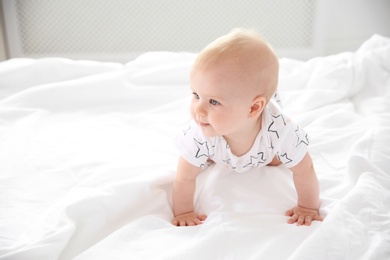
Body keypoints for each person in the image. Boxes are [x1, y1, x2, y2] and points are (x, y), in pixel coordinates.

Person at [172, 28, 323, 227]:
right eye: (196, 95)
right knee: (204, 158)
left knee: (277, 160)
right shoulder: (200, 133)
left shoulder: (281, 132)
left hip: (266, 142)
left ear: (253, 108)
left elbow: (305, 170)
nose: (198, 109)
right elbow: (184, 177)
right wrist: (184, 212)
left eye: (214, 102)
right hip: (221, 141)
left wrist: (307, 208)